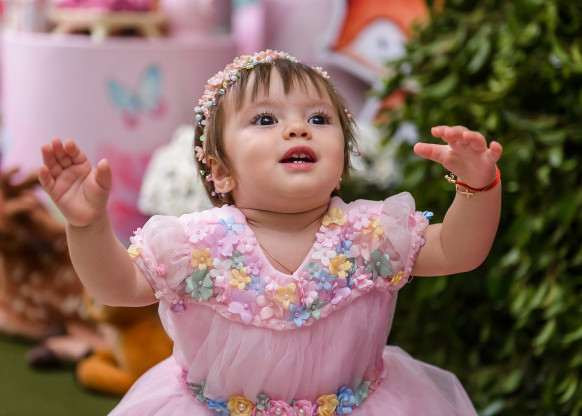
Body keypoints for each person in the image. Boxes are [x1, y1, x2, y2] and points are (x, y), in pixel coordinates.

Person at [38, 50, 502, 415]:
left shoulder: (371, 234)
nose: (298, 128)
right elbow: (116, 288)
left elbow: (458, 250)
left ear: (343, 161)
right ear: (221, 171)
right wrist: (87, 224)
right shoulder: (196, 244)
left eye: (319, 119)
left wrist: (478, 188)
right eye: (265, 119)